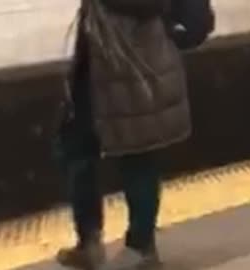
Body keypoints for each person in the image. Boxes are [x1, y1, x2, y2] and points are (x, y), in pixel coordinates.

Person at [51, 0, 214, 269]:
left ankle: (137, 246)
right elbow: (199, 21)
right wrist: (179, 35)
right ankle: (104, 243)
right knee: (82, 146)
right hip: (107, 63)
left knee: (132, 154)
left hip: (129, 65)